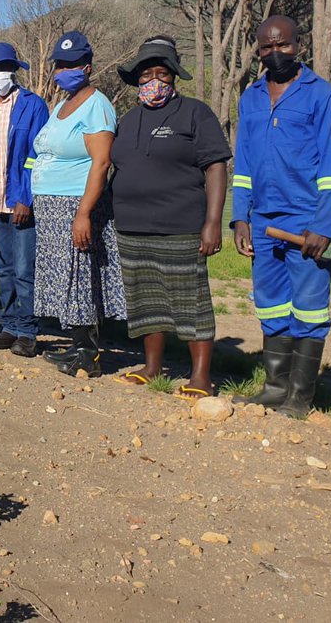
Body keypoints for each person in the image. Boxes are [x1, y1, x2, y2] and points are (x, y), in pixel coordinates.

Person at [231, 15, 331, 418]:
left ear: (300, 45)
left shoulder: (321, 95)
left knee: (310, 309)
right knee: (271, 305)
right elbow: (242, 161)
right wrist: (240, 217)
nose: (275, 53)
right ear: (258, 51)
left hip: (306, 220)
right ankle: (275, 387)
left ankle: (301, 396)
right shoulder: (251, 96)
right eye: (266, 47)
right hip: (262, 221)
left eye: (283, 45)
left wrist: (323, 225)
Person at [109, 36, 230, 397]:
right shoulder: (127, 120)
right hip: (132, 226)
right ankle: (151, 367)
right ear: (137, 80)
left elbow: (216, 167)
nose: (154, 81)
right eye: (147, 75)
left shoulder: (195, 112)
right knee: (146, 301)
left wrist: (212, 223)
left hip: (181, 225)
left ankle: (201, 377)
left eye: (162, 73)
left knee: (190, 301)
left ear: (174, 77)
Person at [31, 30, 125, 377]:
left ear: (87, 66)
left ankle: (88, 354)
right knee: (63, 278)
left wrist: (83, 213)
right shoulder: (60, 106)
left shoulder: (97, 106)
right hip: (51, 207)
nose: (63, 70)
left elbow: (101, 163)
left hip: (75, 205)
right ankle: (76, 346)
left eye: (71, 64)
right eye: (59, 64)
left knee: (78, 277)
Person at [0, 42, 49, 358]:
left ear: (14, 70)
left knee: (24, 268)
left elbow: (36, 155)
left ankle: (28, 331)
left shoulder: (33, 105)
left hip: (19, 201)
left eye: (1, 67)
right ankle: (10, 326)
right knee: (2, 269)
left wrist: (25, 198)